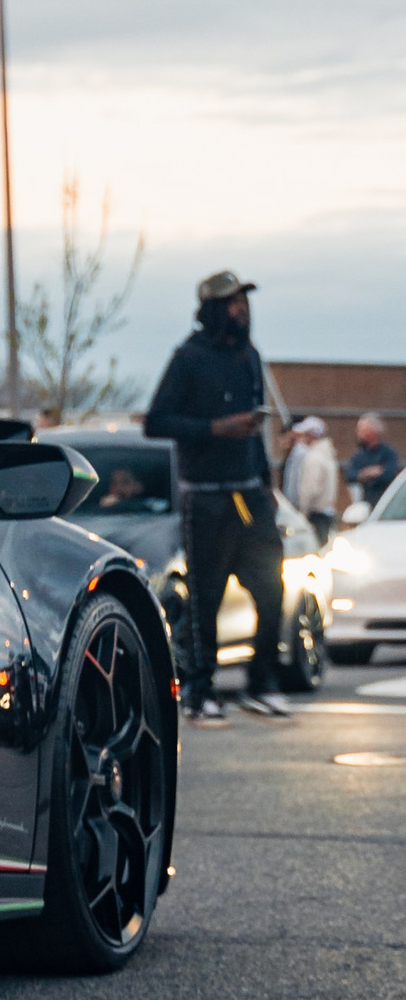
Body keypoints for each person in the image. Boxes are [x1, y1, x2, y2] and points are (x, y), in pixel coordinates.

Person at [145, 270, 285, 724]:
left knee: (271, 588)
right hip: (205, 498)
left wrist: (267, 485)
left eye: (244, 301)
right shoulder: (188, 358)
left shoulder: (250, 356)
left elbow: (257, 435)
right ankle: (199, 691)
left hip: (250, 495)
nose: (241, 309)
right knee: (207, 598)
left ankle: (261, 682)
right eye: (232, 303)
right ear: (211, 310)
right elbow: (156, 421)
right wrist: (214, 429)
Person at [281, 416, 339, 547]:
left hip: (314, 516)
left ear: (312, 436)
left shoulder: (314, 458)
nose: (300, 439)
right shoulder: (328, 455)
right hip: (327, 513)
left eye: (304, 435)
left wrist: (302, 512)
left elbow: (310, 489)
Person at [347, 415, 400, 520]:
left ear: (372, 432)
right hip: (363, 507)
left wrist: (365, 476)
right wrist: (367, 474)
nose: (358, 433)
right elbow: (349, 476)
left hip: (384, 506)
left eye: (361, 429)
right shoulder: (359, 455)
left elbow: (389, 474)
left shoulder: (388, 453)